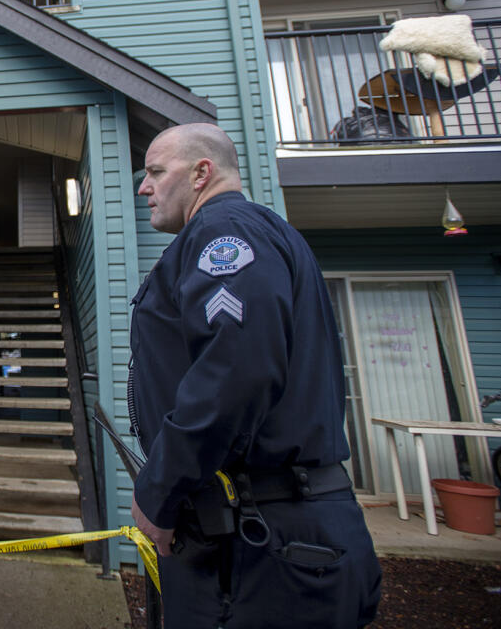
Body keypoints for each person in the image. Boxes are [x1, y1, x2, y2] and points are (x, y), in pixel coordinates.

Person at [128, 123, 381, 628]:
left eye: (156, 171)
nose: (144, 187)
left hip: (263, 543)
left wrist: (159, 491)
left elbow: (235, 370)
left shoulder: (226, 232)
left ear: (202, 173)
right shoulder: (242, 233)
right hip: (260, 533)